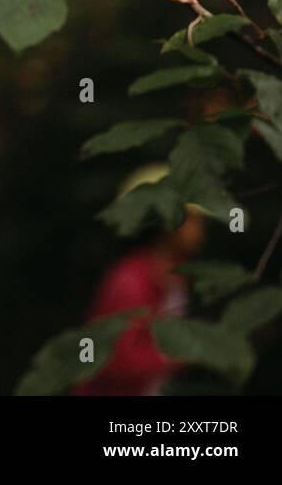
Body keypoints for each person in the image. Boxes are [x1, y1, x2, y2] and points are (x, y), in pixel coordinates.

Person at [75, 164, 206, 396]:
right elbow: (118, 359)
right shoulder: (131, 280)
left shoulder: (174, 279)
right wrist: (190, 354)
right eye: (192, 219)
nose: (199, 228)